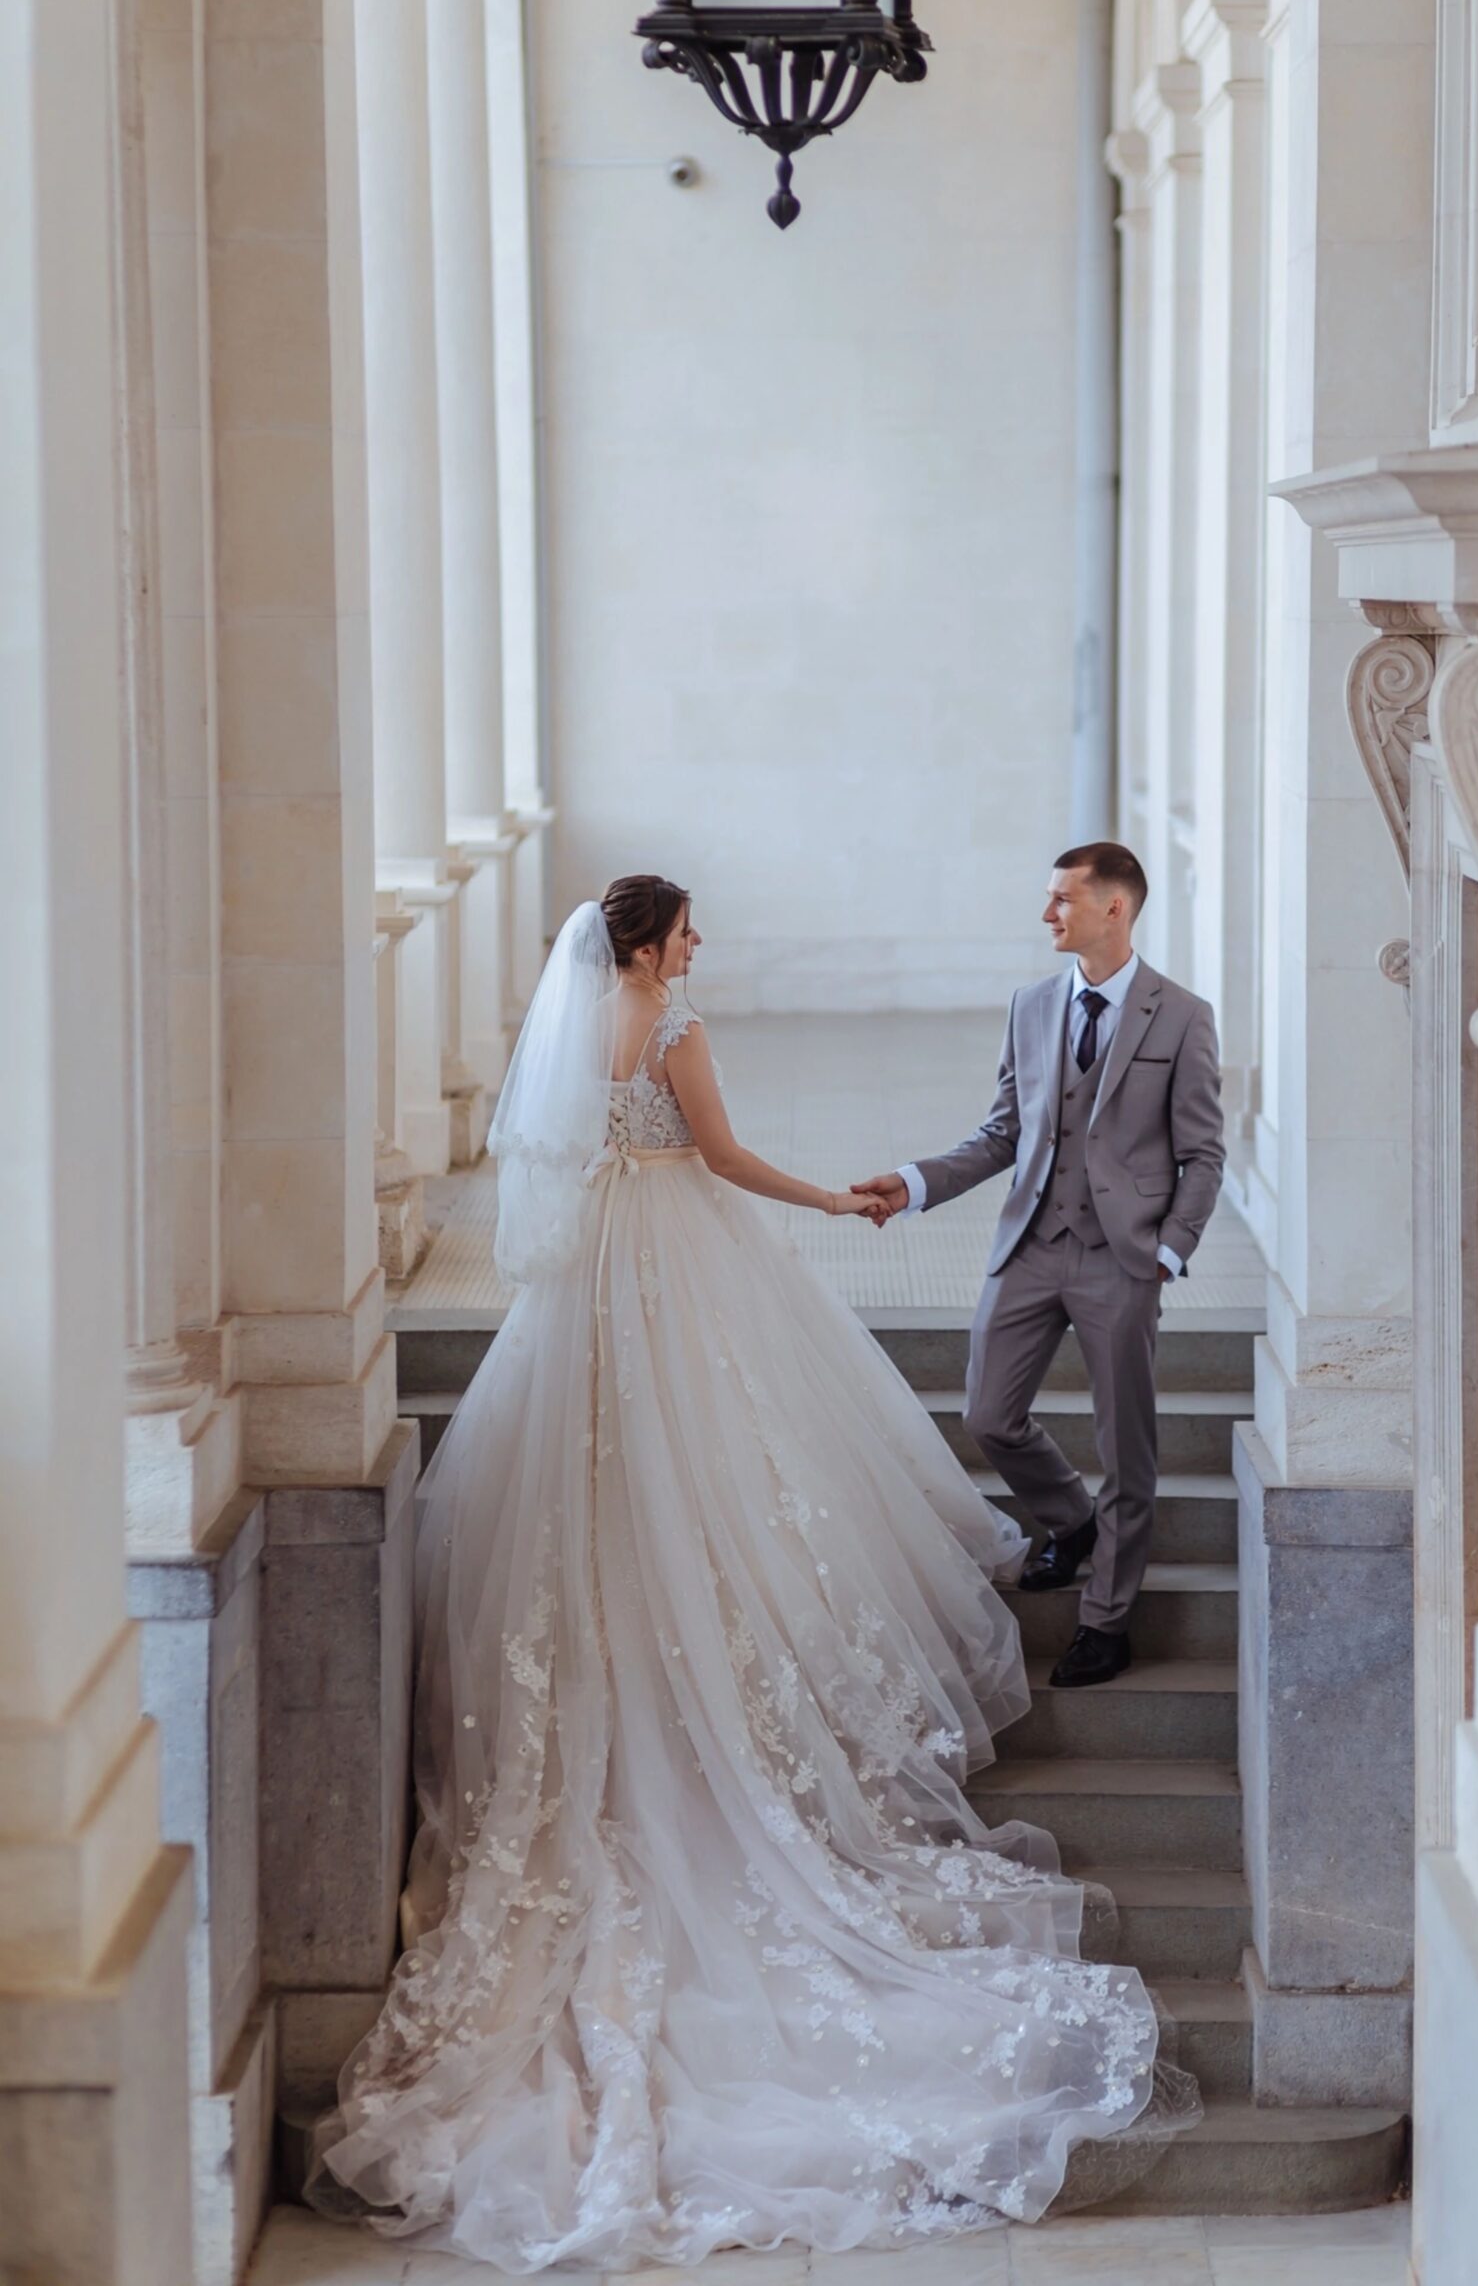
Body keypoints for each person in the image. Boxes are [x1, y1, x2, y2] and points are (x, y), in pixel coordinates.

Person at [308, 874, 1195, 2270]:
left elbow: (552, 1160)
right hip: (673, 1260)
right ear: (653, 947)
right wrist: (833, 1202)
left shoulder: (573, 1026)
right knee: (715, 1466)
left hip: (589, 1277)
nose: (696, 951)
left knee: (593, 1478)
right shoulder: (668, 1027)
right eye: (684, 934)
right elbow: (718, 1159)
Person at [856, 843, 1226, 1691]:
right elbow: (1000, 1134)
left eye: (1062, 900)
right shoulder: (1029, 1006)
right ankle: (1072, 1519)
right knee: (989, 1415)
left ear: (1114, 910)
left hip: (1124, 1259)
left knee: (1124, 1446)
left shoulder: (1182, 1016)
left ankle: (1106, 1619)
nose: (1047, 914)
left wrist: (1169, 1250)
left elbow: (1203, 1153)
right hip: (1030, 1246)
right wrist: (912, 1184)